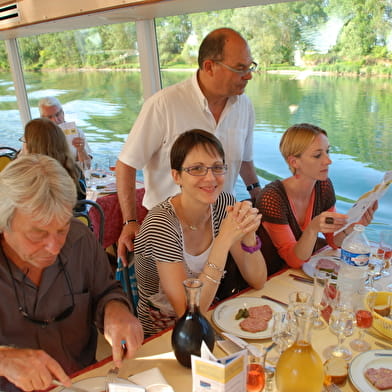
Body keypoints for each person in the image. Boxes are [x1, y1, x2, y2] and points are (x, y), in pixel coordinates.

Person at [117, 27, 261, 264]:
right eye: (239, 68)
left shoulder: (244, 106)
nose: (248, 76)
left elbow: (243, 159)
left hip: (220, 223)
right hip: (168, 228)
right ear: (209, 66)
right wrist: (129, 222)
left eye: (250, 67)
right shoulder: (164, 104)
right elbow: (126, 164)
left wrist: (256, 190)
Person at [0, 155, 143, 392]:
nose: (54, 247)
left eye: (61, 229)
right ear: (4, 224)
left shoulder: (80, 240)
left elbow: (106, 291)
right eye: (37, 234)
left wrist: (115, 310)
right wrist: (4, 359)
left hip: (85, 382)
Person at [134, 129, 267, 336]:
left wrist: (248, 235)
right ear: (176, 176)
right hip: (163, 326)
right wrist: (223, 241)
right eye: (197, 169)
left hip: (211, 310)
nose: (210, 178)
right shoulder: (162, 223)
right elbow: (187, 312)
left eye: (217, 167)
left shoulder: (224, 204)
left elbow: (258, 280)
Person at [255, 123, 377, 275]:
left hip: (300, 273)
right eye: (318, 155)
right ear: (294, 162)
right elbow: (293, 260)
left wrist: (354, 226)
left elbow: (333, 241)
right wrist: (313, 229)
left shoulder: (323, 186)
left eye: (328, 151)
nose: (328, 160)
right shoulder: (272, 198)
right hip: (270, 278)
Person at [21, 118, 86, 208]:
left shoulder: (31, 178)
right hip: (75, 220)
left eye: (24, 141)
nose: (23, 145)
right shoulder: (74, 170)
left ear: (31, 146)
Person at [38, 96, 92, 166]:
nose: (55, 120)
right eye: (49, 117)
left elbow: (88, 166)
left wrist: (81, 150)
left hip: (73, 175)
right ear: (42, 119)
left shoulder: (77, 132)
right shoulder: (36, 136)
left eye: (57, 114)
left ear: (63, 113)